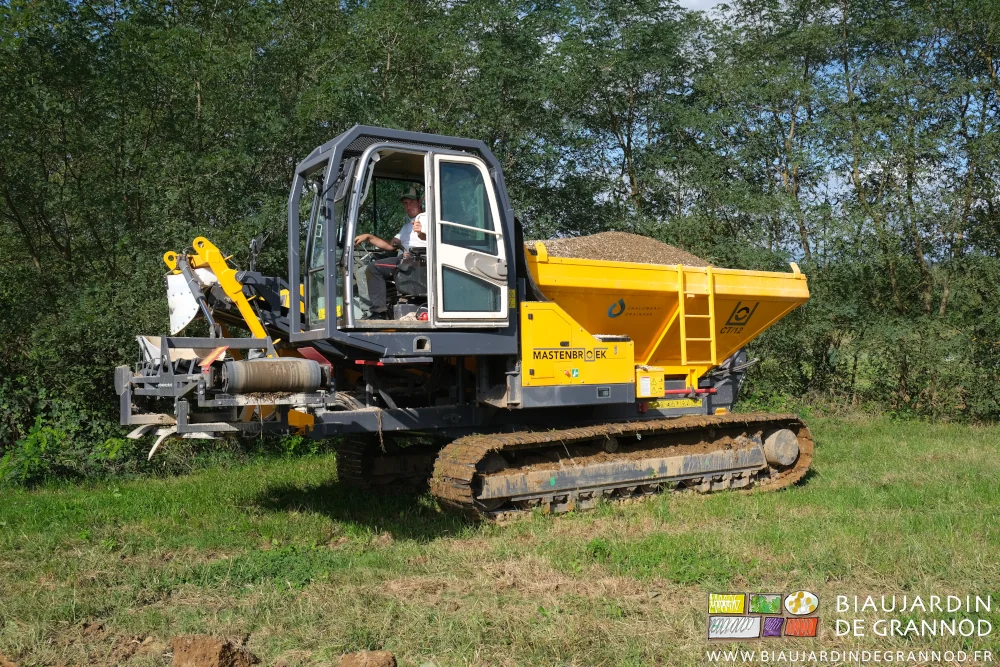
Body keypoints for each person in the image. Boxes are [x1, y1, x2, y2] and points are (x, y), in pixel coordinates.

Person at [353, 186, 427, 319]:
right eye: (405, 203)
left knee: (374, 268)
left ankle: (378, 313)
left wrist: (422, 233)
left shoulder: (428, 219)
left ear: (420, 202)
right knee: (364, 269)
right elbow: (390, 245)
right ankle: (370, 312)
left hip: (417, 263)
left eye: (411, 202)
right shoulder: (406, 227)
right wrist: (368, 237)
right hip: (405, 262)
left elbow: (435, 240)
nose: (408, 206)